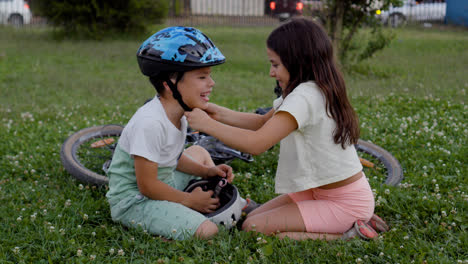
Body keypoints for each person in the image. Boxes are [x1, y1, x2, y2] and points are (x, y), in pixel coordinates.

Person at [185, 18, 388, 241]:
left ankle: (350, 233)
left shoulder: (305, 97)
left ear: (297, 62)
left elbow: (257, 143)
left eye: (275, 64)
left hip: (342, 202)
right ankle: (351, 219)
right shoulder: (308, 89)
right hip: (318, 193)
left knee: (253, 227)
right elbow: (261, 123)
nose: (271, 72)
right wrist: (214, 112)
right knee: (255, 216)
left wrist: (207, 125)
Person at [105, 26, 236, 241]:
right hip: (135, 200)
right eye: (202, 77)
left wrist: (207, 171)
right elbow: (147, 186)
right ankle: (161, 229)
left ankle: (179, 210)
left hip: (163, 180)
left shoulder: (179, 112)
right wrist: (189, 201)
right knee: (208, 231)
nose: (211, 83)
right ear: (169, 83)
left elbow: (172, 157)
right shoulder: (150, 123)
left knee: (200, 153)